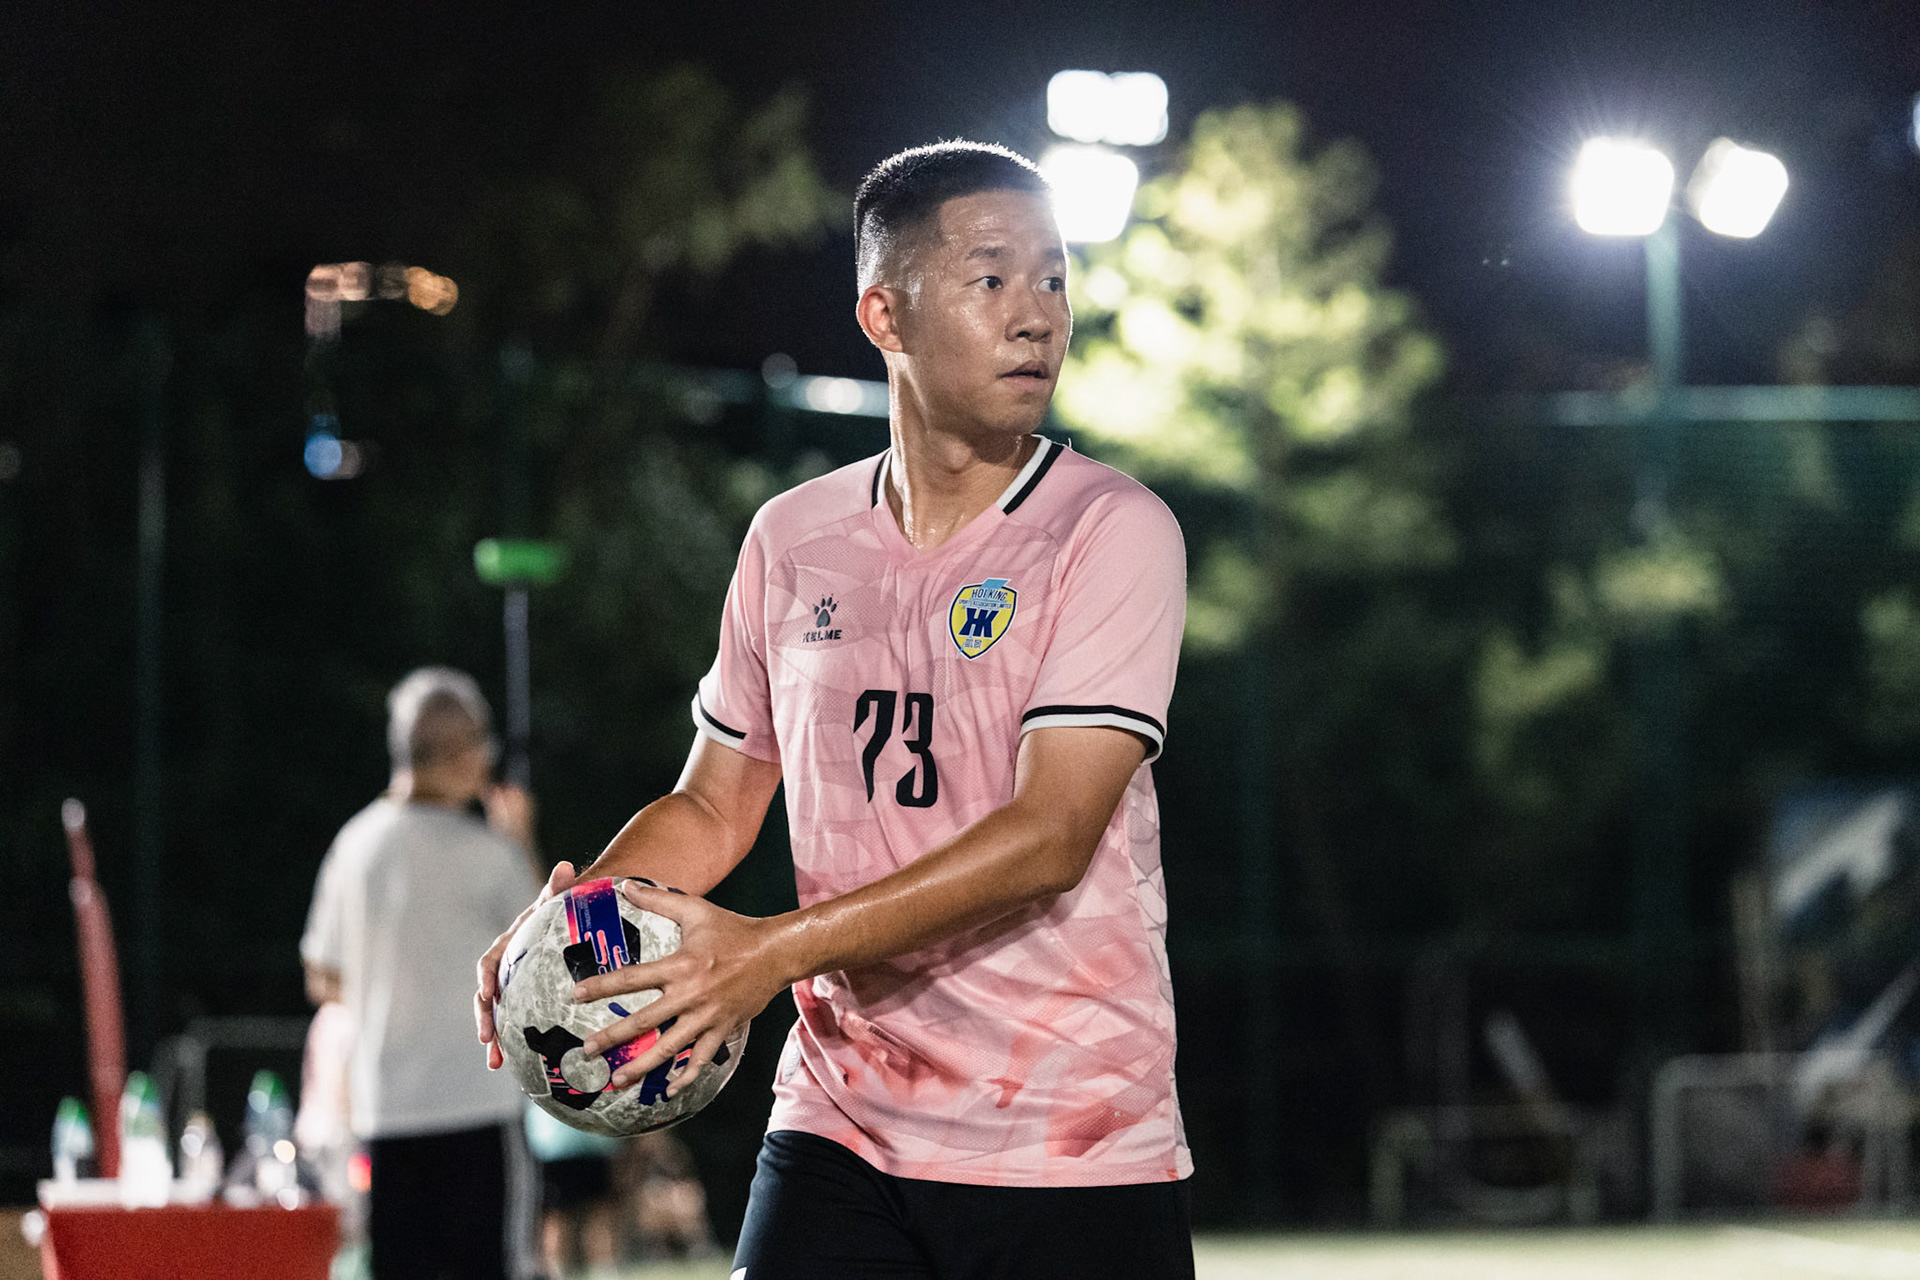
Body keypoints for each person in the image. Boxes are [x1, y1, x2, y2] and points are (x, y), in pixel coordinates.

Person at [477, 140, 1193, 1279]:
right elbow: (714, 804)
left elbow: (1052, 837)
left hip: (1069, 1138)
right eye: (992, 275)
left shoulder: (1112, 530)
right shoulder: (792, 539)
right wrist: (569, 937)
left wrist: (769, 952)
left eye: (1054, 278)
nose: (1037, 316)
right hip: (841, 1120)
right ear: (884, 315)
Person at [307, 667, 542, 1280]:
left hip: (385, 1108)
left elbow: (323, 977)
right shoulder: (487, 855)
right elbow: (547, 957)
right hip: (475, 1105)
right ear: (461, 752)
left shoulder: (353, 847)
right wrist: (522, 841)